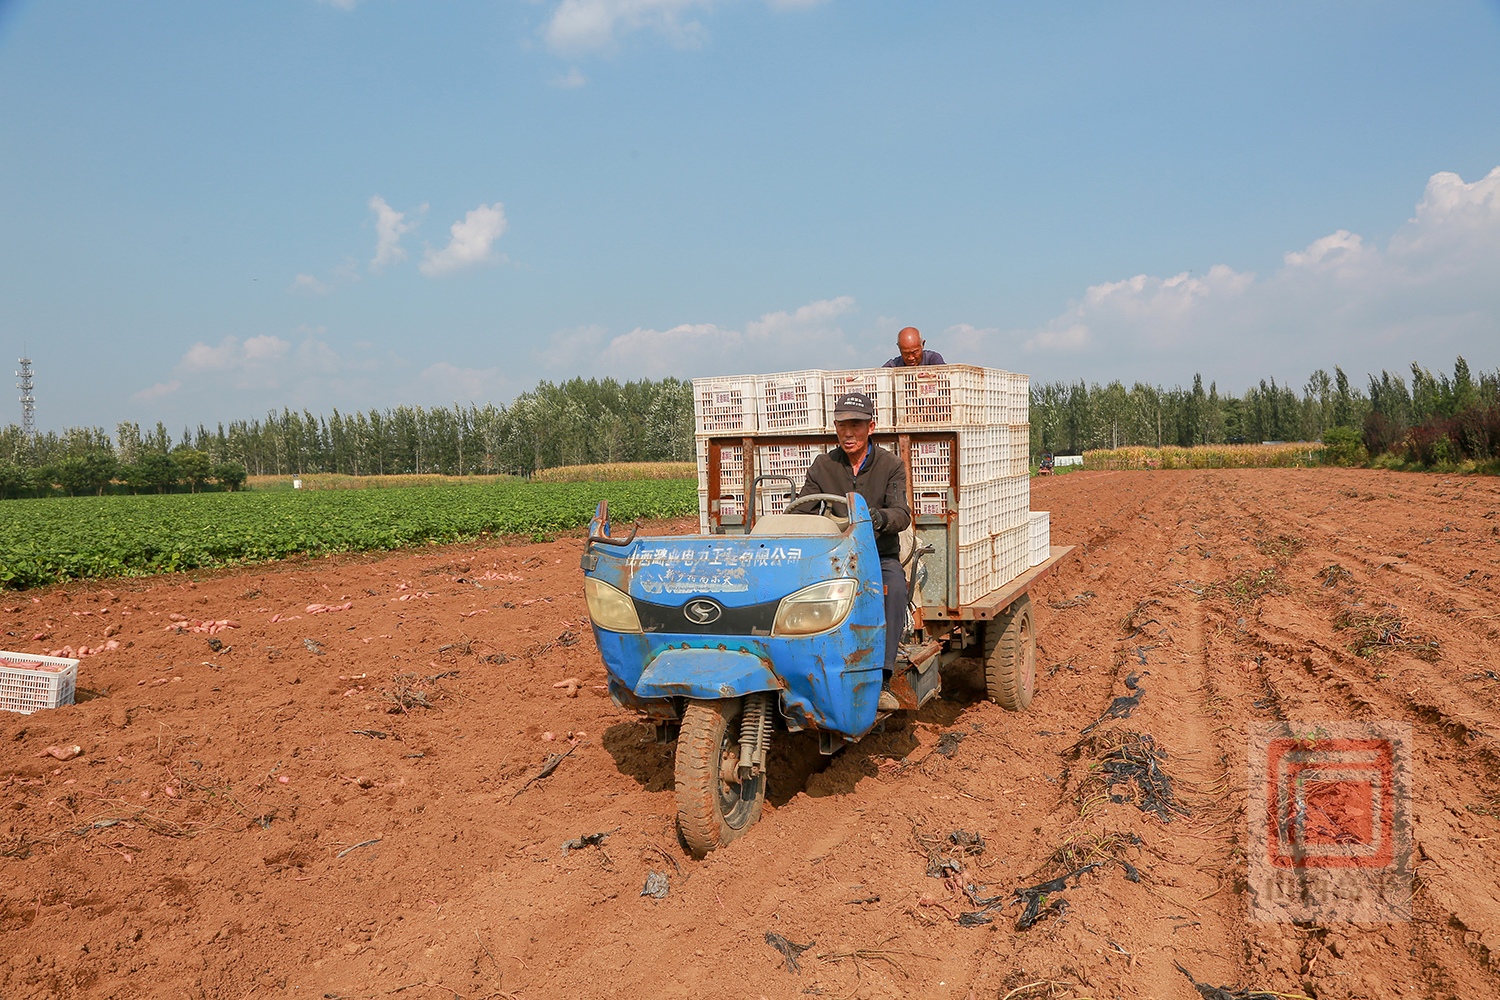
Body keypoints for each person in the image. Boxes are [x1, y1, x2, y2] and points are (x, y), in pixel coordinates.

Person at [797, 391, 912, 711]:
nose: (848, 433)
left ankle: (884, 677)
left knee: (895, 589)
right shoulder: (823, 466)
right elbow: (803, 510)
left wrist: (880, 518)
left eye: (856, 425)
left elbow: (902, 513)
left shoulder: (891, 465)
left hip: (877, 555)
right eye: (842, 425)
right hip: (831, 556)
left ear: (870, 427)